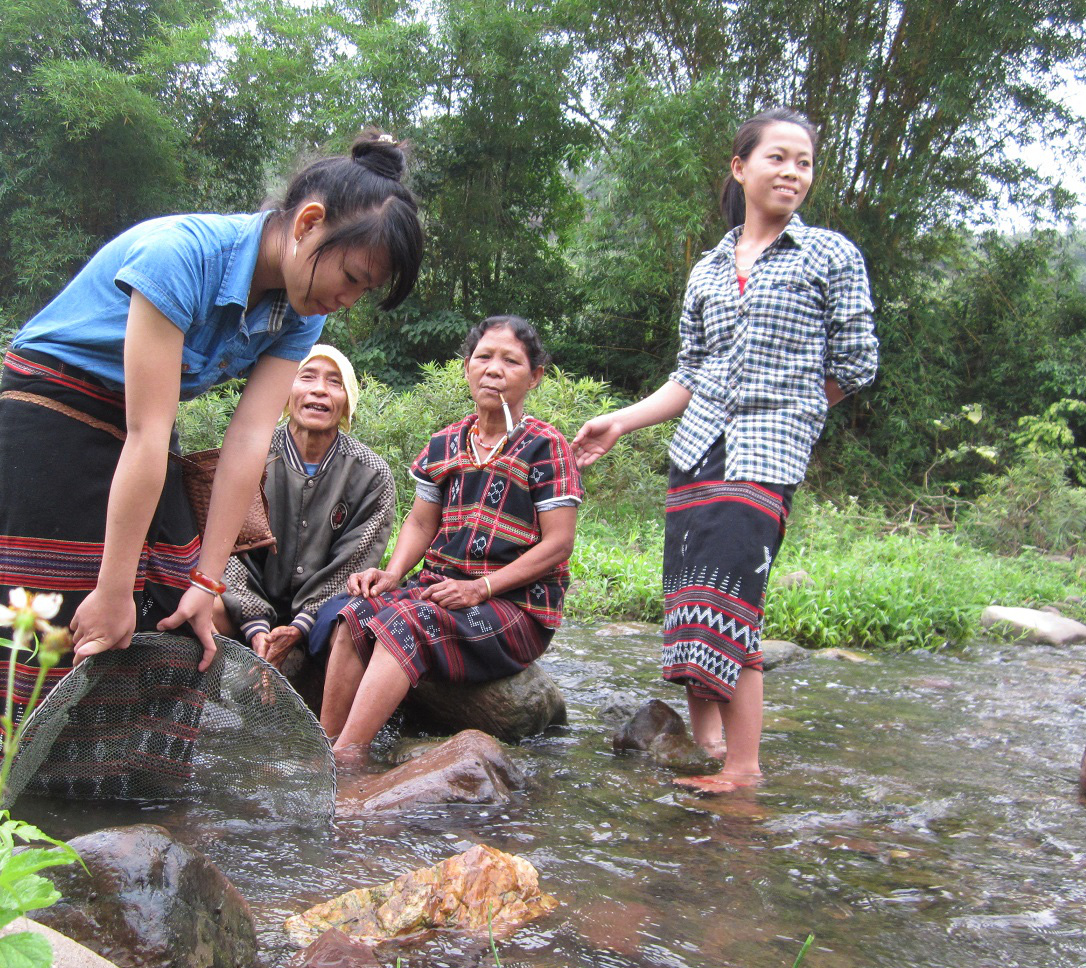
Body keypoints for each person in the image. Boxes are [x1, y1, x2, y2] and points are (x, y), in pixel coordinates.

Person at [0, 131, 423, 775]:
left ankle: (129, 778)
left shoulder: (301, 310)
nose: (346, 300)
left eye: (363, 291)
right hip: (53, 403)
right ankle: (10, 781)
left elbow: (246, 443)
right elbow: (147, 435)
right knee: (64, 604)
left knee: (179, 604)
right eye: (350, 277)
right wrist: (108, 588)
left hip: (142, 420)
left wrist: (207, 579)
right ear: (309, 223)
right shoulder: (182, 255)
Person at [572, 108, 878, 793]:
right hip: (697, 451)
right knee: (688, 600)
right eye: (778, 158)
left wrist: (797, 408)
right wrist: (621, 421)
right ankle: (705, 740)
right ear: (741, 168)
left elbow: (857, 363)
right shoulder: (709, 269)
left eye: (804, 161)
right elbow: (690, 374)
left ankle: (743, 769)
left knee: (732, 602)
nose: (792, 172)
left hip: (766, 456)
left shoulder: (830, 255)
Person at [319, 316, 583, 756]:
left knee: (405, 624)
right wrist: (393, 573)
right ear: (466, 368)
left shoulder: (546, 446)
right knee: (356, 613)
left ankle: (347, 759)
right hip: (443, 588)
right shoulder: (445, 443)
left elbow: (559, 544)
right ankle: (324, 744)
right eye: (483, 357)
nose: (493, 369)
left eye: (510, 361)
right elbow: (421, 524)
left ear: (534, 376)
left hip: (515, 605)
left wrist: (481, 587)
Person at [214, 344, 395, 669]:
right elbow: (226, 549)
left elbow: (353, 563)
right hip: (244, 602)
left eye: (334, 382)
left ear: (347, 403)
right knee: (199, 603)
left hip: (323, 612)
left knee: (357, 619)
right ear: (286, 392)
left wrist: (299, 626)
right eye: (307, 377)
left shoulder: (371, 474)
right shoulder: (252, 454)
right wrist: (256, 625)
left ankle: (329, 721)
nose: (319, 390)